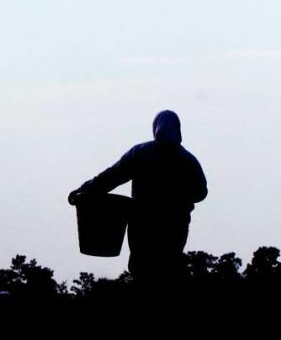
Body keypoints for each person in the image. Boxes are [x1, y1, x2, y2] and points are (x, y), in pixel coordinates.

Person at [69, 110, 207, 286]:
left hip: (143, 226)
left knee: (143, 272)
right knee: (171, 268)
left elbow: (111, 177)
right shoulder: (188, 160)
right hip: (175, 226)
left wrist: (84, 190)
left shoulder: (141, 153)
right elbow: (201, 193)